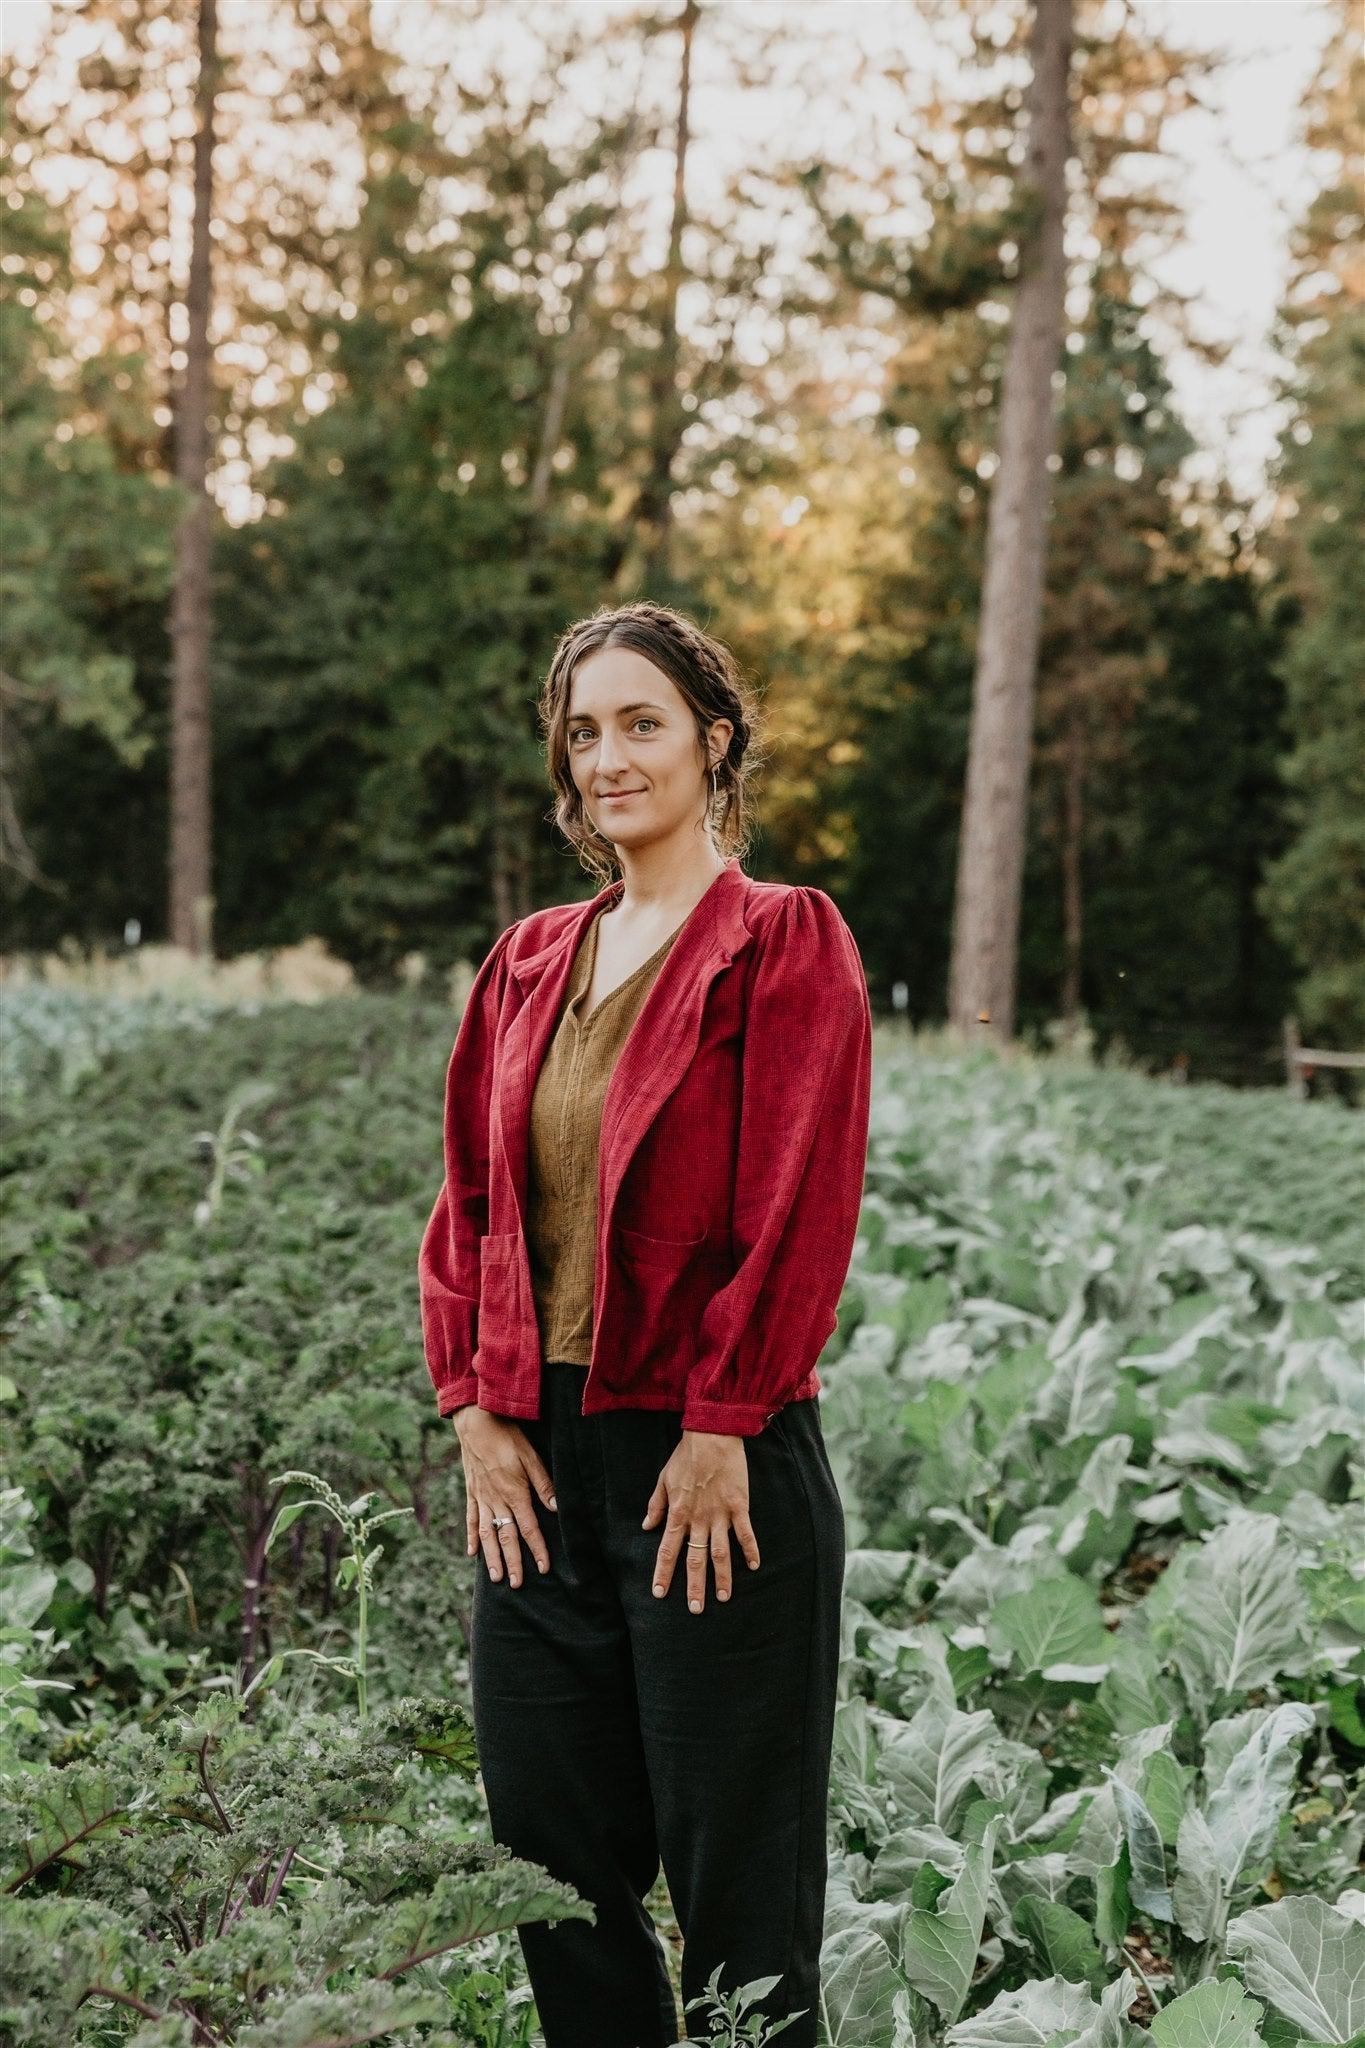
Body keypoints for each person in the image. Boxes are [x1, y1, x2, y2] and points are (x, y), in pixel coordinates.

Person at [417, 600, 872, 2048]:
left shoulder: (782, 943)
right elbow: (470, 1204)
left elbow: (797, 1202)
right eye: (584, 730)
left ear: (711, 743)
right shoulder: (530, 960)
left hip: (707, 1474)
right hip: (537, 1476)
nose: (608, 757)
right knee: (553, 1875)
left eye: (641, 723)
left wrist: (722, 1420)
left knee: (740, 1908)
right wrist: (476, 1410)